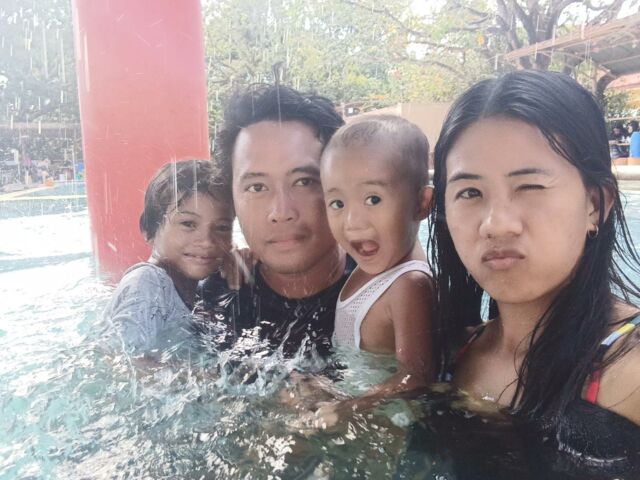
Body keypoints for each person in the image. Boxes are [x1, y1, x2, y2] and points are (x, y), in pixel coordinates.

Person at [428, 70, 640, 472]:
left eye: (529, 187)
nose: (496, 224)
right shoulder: (454, 353)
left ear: (595, 205)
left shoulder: (629, 370)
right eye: (470, 192)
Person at [200, 84, 354, 358]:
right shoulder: (214, 298)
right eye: (257, 187)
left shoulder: (386, 295)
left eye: (304, 182)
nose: (281, 211)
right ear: (231, 200)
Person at [321, 115, 435, 377]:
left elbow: (415, 380)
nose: (352, 222)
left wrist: (335, 401)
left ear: (421, 204)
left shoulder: (409, 285)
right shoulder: (377, 259)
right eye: (338, 204)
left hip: (377, 405)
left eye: (373, 199)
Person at [103, 159, 234, 353]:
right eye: (188, 224)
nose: (207, 241)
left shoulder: (197, 290)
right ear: (149, 228)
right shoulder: (148, 282)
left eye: (222, 227)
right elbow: (118, 359)